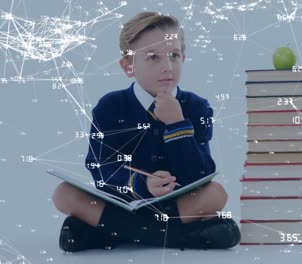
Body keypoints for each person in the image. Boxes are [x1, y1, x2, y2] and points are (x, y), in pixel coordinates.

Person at [51, 12, 240, 252]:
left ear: (184, 57)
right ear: (128, 65)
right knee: (64, 194)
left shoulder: (196, 107)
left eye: (174, 56)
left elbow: (201, 174)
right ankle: (181, 237)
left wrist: (177, 125)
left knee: (216, 194)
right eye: (153, 57)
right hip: (122, 202)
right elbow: (100, 168)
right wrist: (142, 184)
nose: (167, 66)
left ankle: (112, 233)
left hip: (176, 206)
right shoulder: (110, 106)